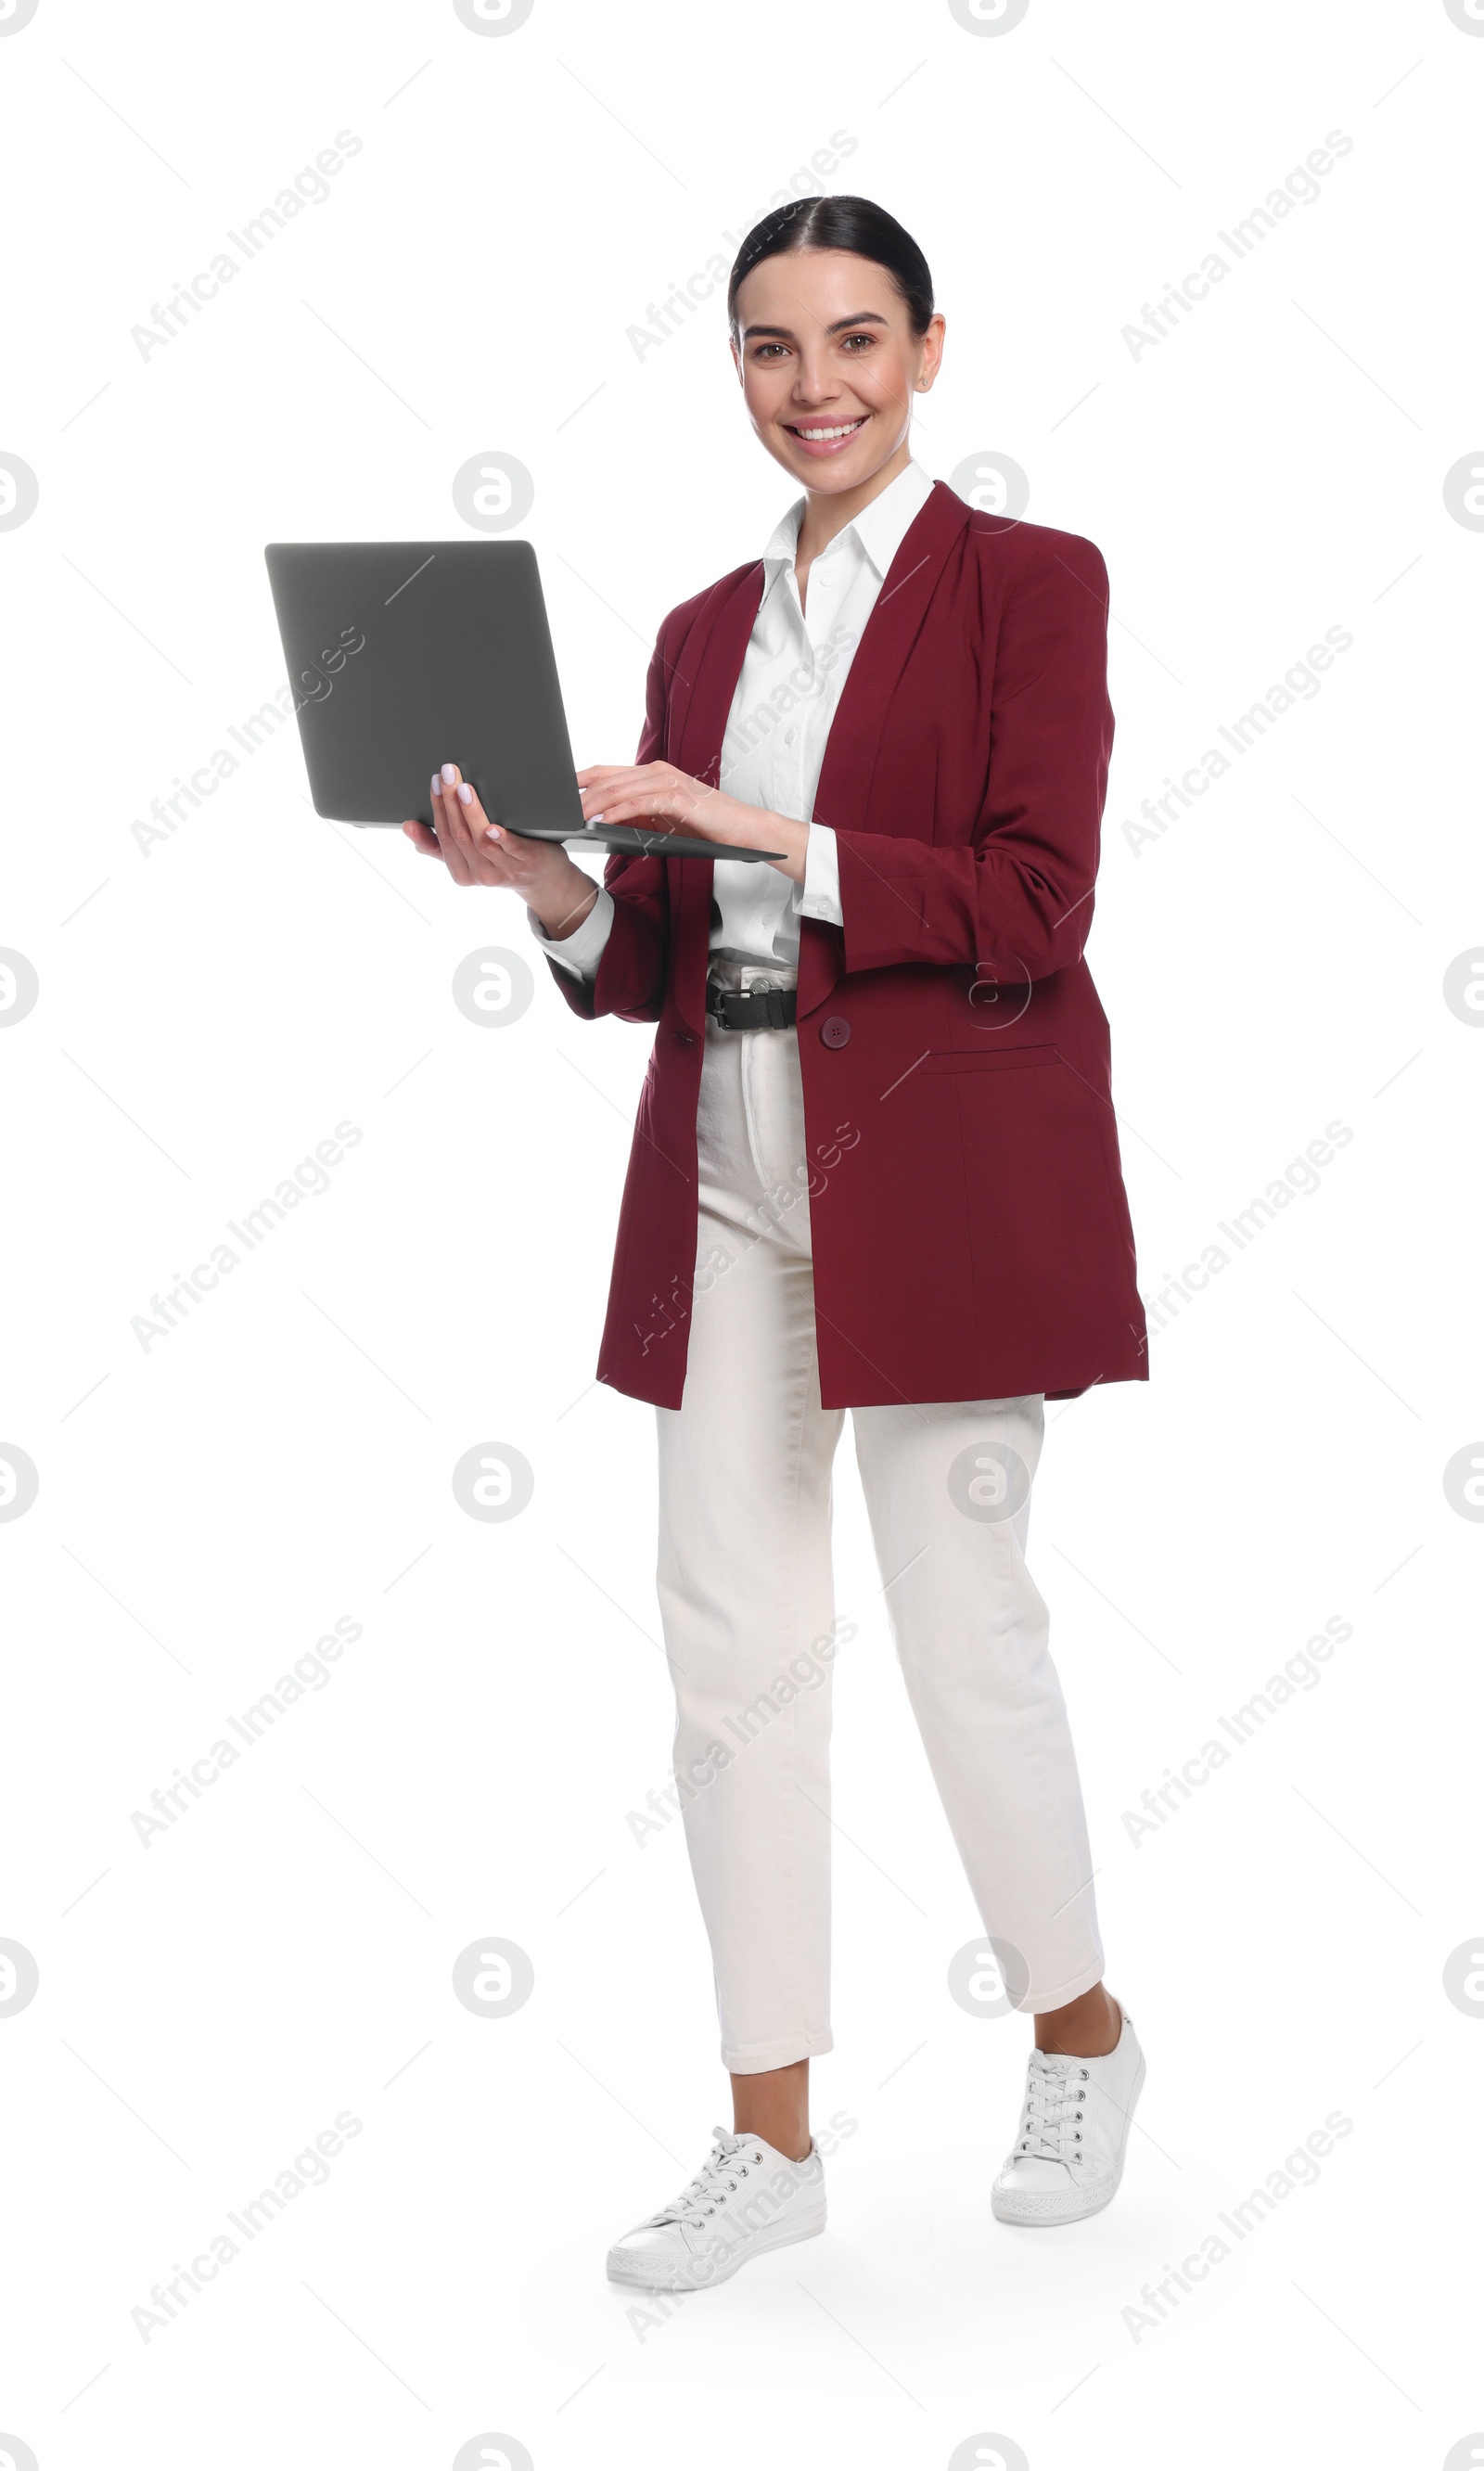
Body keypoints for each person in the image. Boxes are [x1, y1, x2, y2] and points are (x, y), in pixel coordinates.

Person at [403, 195, 1149, 2293]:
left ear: (926, 351)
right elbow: (644, 950)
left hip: (930, 1178)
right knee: (728, 1662)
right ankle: (770, 2131)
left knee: (956, 1628)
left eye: (848, 340)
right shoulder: (694, 635)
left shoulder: (1029, 585)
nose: (808, 385)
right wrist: (541, 885)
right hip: (723, 1167)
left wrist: (755, 830)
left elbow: (1029, 905)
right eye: (764, 348)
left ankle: (1081, 2031)